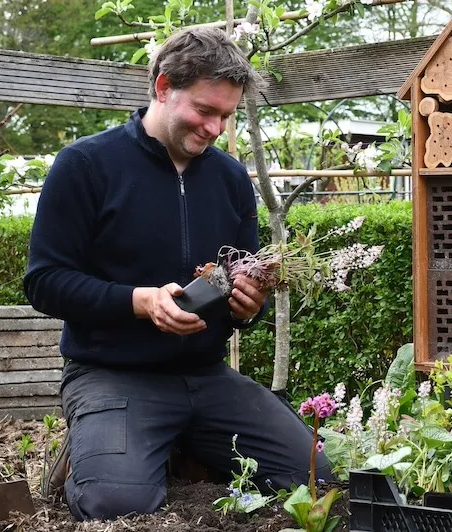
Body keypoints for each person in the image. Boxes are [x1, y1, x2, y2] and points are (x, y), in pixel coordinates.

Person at [24, 27, 335, 521]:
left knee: (318, 479)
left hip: (208, 379)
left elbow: (239, 287)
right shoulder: (85, 165)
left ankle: (186, 439)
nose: (215, 128)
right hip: (114, 376)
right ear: (164, 87)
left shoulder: (230, 179)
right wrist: (140, 301)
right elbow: (45, 281)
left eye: (226, 116)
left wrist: (246, 305)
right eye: (205, 111)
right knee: (116, 505)